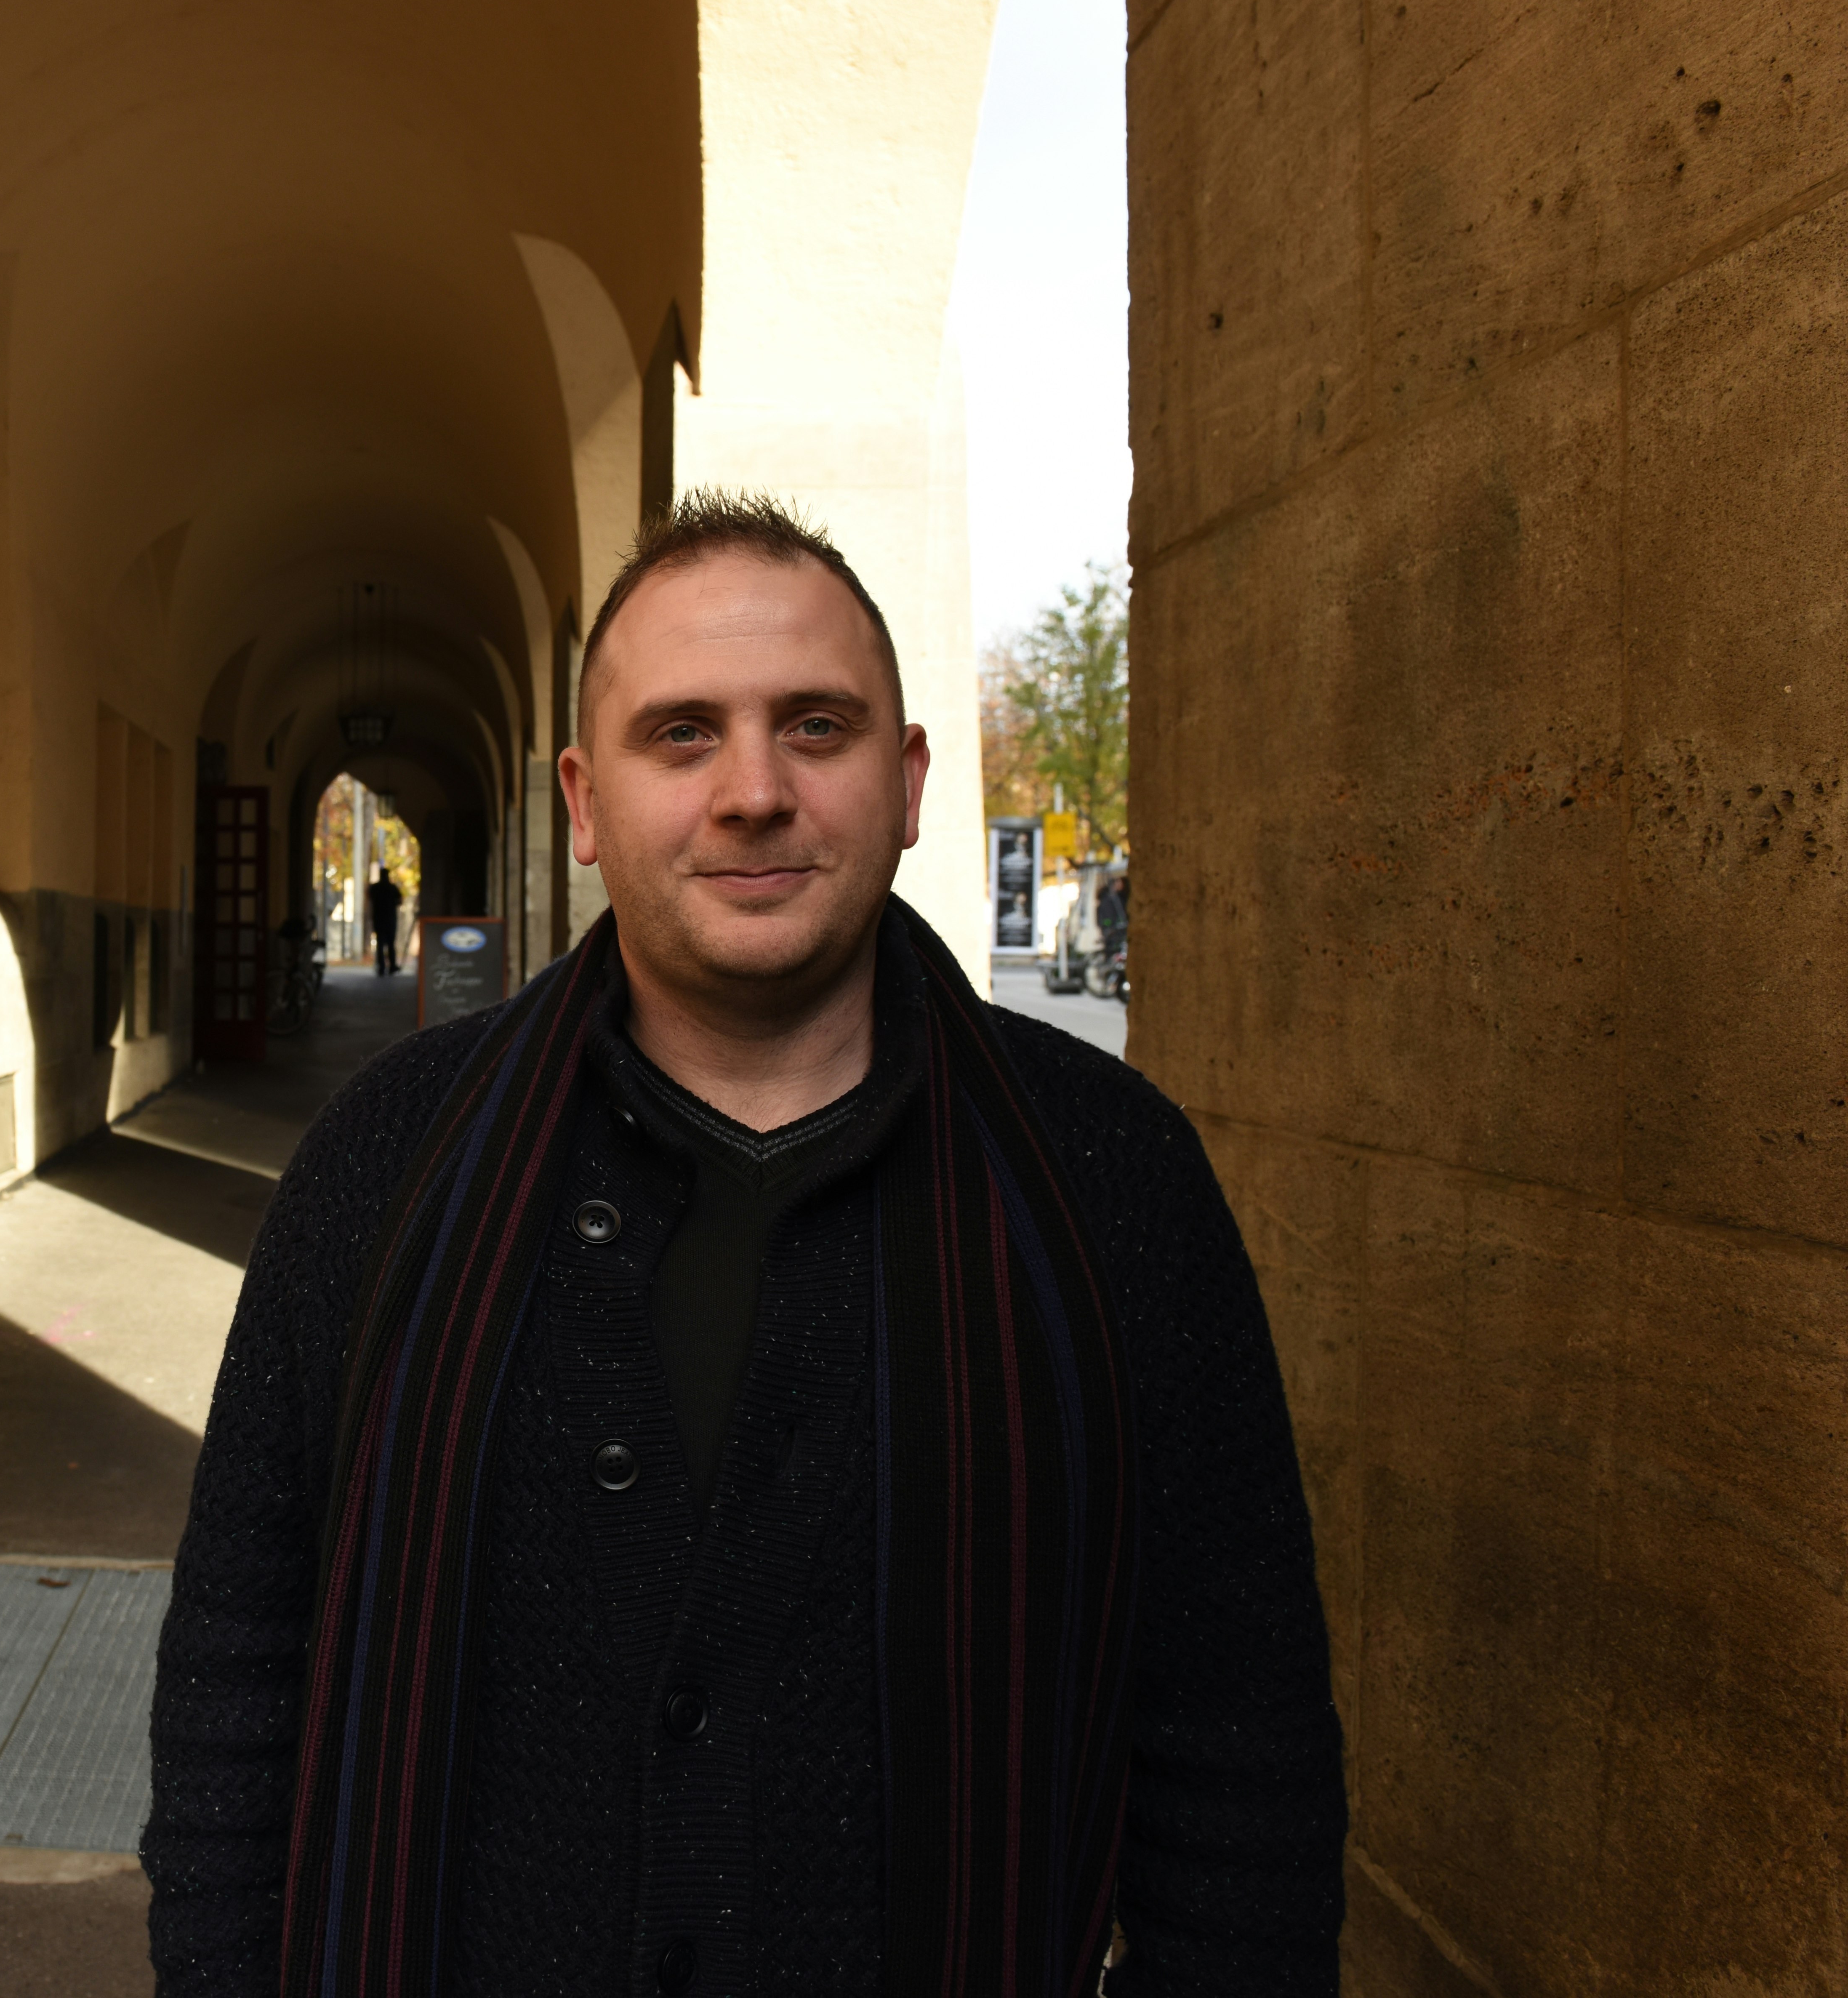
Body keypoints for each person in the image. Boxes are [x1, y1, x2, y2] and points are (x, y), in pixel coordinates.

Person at [144, 491, 1344, 1996]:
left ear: (910, 781)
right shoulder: (380, 1167)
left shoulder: (1113, 1183)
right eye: (684, 733)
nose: (753, 789)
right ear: (584, 801)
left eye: (820, 726)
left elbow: (1235, 1759)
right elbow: (239, 1678)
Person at [362, 863, 405, 976]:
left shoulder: (375, 888)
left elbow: (369, 898)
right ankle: (392, 966)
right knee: (391, 944)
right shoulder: (393, 888)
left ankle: (381, 967)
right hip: (391, 919)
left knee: (380, 944)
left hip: (379, 919)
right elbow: (400, 901)